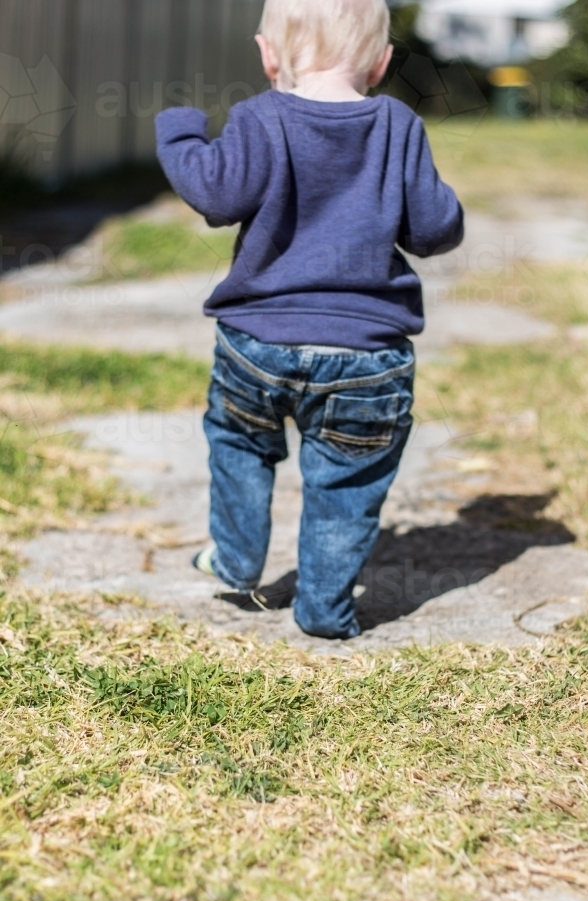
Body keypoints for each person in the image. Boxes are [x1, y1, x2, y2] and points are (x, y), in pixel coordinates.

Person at [155, 0, 464, 640]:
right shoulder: (398, 126)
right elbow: (433, 230)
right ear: (381, 63)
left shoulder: (259, 118)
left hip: (256, 345)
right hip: (367, 357)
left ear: (269, 55)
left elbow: (214, 194)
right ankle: (325, 608)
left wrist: (181, 132)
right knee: (347, 478)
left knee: (240, 445)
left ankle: (237, 560)